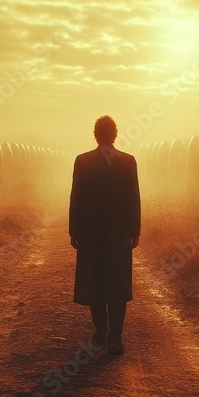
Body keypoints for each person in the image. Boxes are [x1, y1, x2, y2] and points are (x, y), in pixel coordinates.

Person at [69, 115, 141, 355]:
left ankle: (101, 331)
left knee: (95, 280)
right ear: (115, 134)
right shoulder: (128, 161)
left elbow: (76, 197)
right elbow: (134, 198)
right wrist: (135, 230)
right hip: (118, 231)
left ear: (95, 135)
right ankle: (115, 338)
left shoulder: (83, 161)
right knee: (117, 282)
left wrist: (74, 230)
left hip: (90, 230)